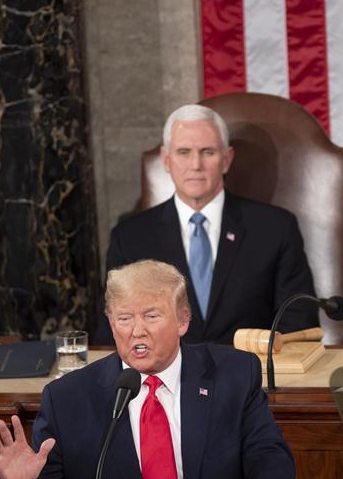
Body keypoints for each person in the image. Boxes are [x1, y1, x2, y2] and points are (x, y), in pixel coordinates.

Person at [0, 260, 301, 479]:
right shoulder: (68, 398)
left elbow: (267, 455)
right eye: (124, 319)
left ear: (182, 320)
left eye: (151, 316)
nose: (137, 332)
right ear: (110, 323)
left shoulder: (233, 375)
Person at [93, 104, 319, 347]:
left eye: (207, 152)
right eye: (183, 152)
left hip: (253, 376)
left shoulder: (275, 228)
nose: (195, 164)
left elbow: (298, 324)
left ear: (226, 160)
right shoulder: (130, 237)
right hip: (164, 379)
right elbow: (113, 331)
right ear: (166, 160)